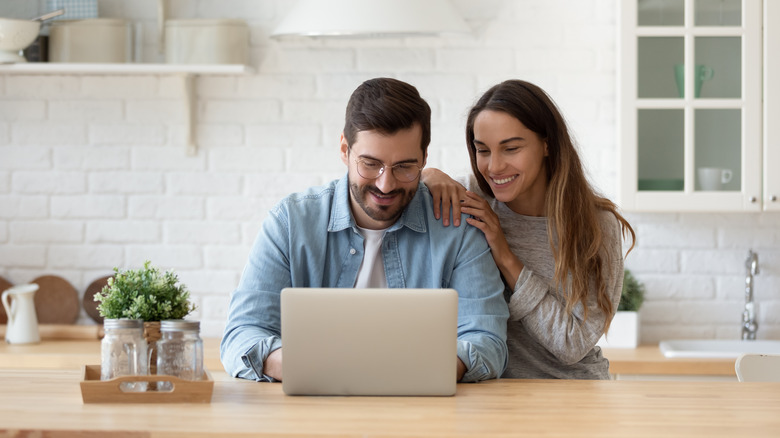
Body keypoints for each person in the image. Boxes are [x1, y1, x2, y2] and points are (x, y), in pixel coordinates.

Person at [221, 77, 509, 383]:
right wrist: (313, 368)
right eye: (370, 164)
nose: (386, 184)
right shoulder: (291, 222)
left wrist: (404, 373)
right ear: (345, 149)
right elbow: (242, 335)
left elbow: (487, 342)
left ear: (425, 159)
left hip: (424, 414)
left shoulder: (457, 227)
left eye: (404, 167)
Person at [422, 79, 635, 379]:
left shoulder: (596, 225)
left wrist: (506, 256)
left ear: (547, 143)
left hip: (574, 393)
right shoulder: (473, 198)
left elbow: (572, 344)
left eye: (510, 149)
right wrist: (428, 175)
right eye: (483, 150)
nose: (494, 167)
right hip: (493, 393)